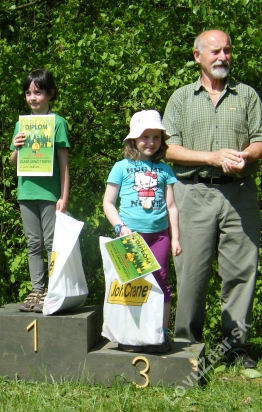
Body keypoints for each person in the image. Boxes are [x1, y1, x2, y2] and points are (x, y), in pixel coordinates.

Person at [162, 29, 262, 369]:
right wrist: (212, 157)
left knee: (241, 270)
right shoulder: (180, 98)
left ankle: (233, 348)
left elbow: (260, 141)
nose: (223, 57)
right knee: (190, 271)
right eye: (216, 51)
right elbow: (167, 149)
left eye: (228, 51)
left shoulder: (246, 95)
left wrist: (244, 156)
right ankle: (188, 349)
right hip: (192, 192)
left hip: (240, 192)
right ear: (197, 56)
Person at [103, 110, 181, 353]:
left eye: (156, 137)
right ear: (133, 139)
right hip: (130, 237)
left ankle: (160, 333)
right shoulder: (121, 167)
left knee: (160, 283)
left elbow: (172, 206)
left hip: (159, 237)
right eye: (145, 136)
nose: (150, 142)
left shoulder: (165, 169)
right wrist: (120, 228)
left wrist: (175, 237)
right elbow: (107, 203)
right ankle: (129, 336)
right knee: (131, 286)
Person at [10, 69, 70, 312]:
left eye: (38, 93)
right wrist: (15, 147)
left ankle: (53, 291)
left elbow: (64, 163)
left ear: (50, 94)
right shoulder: (20, 125)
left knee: (52, 244)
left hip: (50, 195)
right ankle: (37, 290)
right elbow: (14, 162)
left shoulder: (58, 123)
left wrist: (64, 197)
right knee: (33, 244)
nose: (33, 98)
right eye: (28, 93)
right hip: (26, 193)